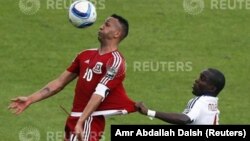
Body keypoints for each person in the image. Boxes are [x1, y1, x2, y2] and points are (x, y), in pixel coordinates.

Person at [8, 14, 136, 141]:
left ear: (117, 34)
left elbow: (100, 93)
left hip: (89, 121)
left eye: (107, 25)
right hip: (75, 119)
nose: (101, 27)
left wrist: (81, 121)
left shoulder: (115, 61)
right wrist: (30, 99)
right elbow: (59, 83)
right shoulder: (85, 55)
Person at [136, 68, 225, 125]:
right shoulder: (212, 103)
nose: (197, 80)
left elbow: (185, 119)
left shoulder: (200, 102)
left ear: (212, 88)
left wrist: (149, 112)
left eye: (202, 79)